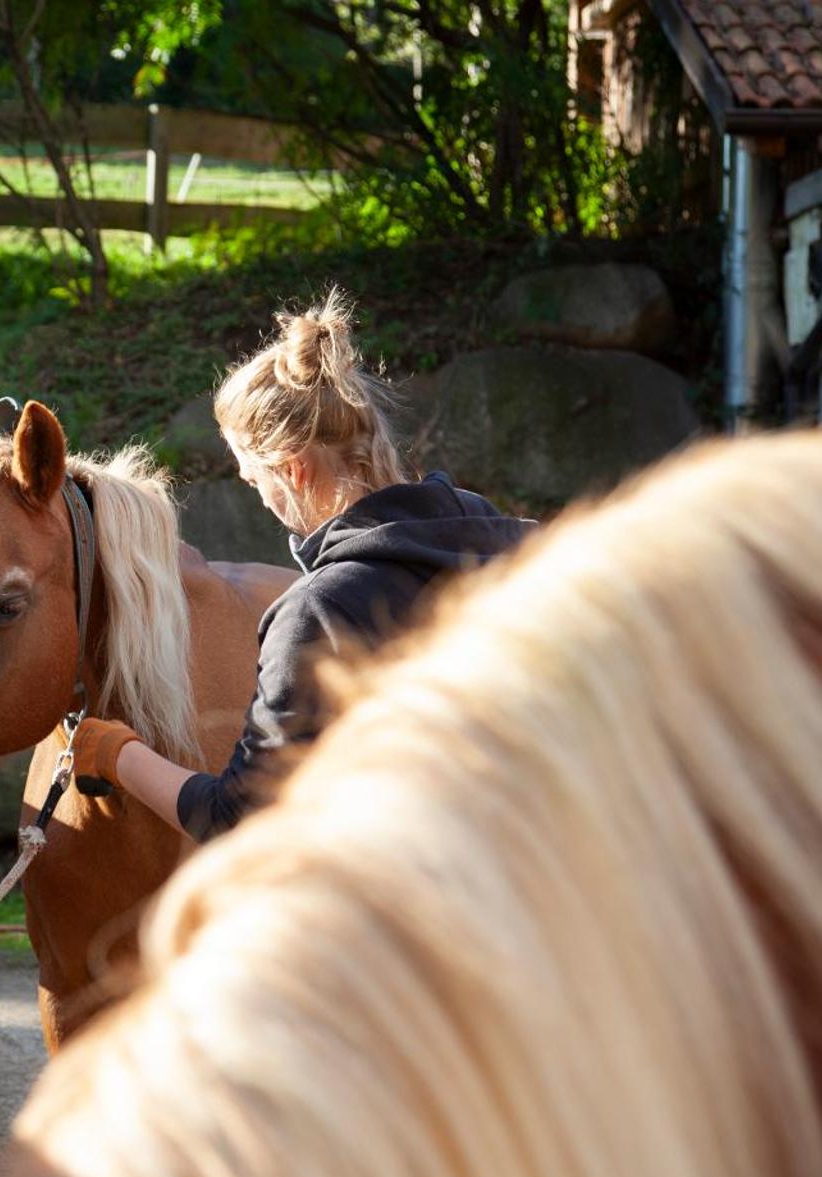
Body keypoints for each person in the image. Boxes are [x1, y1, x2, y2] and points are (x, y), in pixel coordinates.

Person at [71, 287, 534, 840]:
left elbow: (240, 817)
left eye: (253, 479)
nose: (259, 497)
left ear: (292, 470)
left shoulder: (319, 611)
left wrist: (118, 754)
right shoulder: (508, 545)